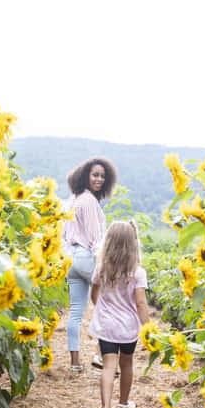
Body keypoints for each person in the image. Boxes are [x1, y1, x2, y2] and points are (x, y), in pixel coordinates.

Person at [89, 220, 150, 408]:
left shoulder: (101, 268)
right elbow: (140, 303)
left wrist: (102, 308)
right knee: (127, 364)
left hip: (107, 325)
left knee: (108, 366)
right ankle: (123, 403)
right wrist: (148, 328)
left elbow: (94, 294)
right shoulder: (138, 272)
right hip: (128, 328)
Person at [62, 157, 117, 373]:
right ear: (86, 175)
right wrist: (105, 265)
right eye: (95, 175)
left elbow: (65, 233)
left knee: (76, 312)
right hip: (86, 257)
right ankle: (100, 354)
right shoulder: (90, 202)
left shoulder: (73, 199)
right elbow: (97, 240)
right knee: (108, 305)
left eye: (103, 176)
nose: (99, 179)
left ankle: (75, 363)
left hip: (71, 259)